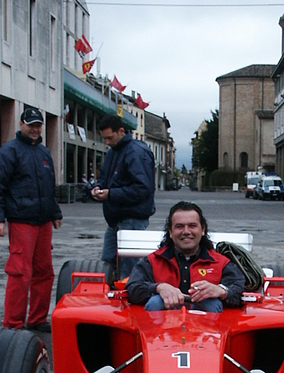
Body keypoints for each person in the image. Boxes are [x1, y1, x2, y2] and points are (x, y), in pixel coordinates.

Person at [0, 107, 62, 332]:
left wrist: (55, 213)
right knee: (20, 272)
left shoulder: (44, 153)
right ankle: (13, 323)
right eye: (31, 125)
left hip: (43, 222)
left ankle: (37, 318)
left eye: (38, 125)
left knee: (44, 271)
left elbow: (49, 188)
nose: (35, 129)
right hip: (21, 221)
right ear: (21, 125)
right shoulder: (8, 152)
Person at [126, 201, 245, 313]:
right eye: (179, 226)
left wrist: (222, 291)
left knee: (211, 303)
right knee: (156, 302)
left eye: (192, 225)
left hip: (208, 333)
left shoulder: (221, 263)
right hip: (162, 331)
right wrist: (159, 288)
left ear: (202, 230)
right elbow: (132, 289)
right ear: (170, 232)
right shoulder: (152, 261)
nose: (186, 231)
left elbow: (242, 291)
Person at [91, 114, 155, 278]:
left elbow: (143, 188)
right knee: (108, 262)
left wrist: (110, 194)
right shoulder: (114, 151)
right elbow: (104, 176)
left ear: (121, 131)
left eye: (109, 137)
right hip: (116, 219)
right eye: (104, 138)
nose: (107, 142)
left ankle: (130, 298)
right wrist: (98, 187)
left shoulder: (136, 152)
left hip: (132, 218)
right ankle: (113, 298)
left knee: (128, 269)